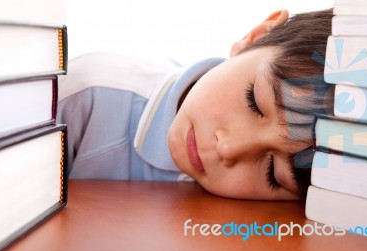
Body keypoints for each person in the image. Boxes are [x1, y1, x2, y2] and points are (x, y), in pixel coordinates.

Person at [57, 8, 334, 200]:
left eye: (273, 173)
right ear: (256, 37)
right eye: (254, 102)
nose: (227, 148)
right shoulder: (87, 95)